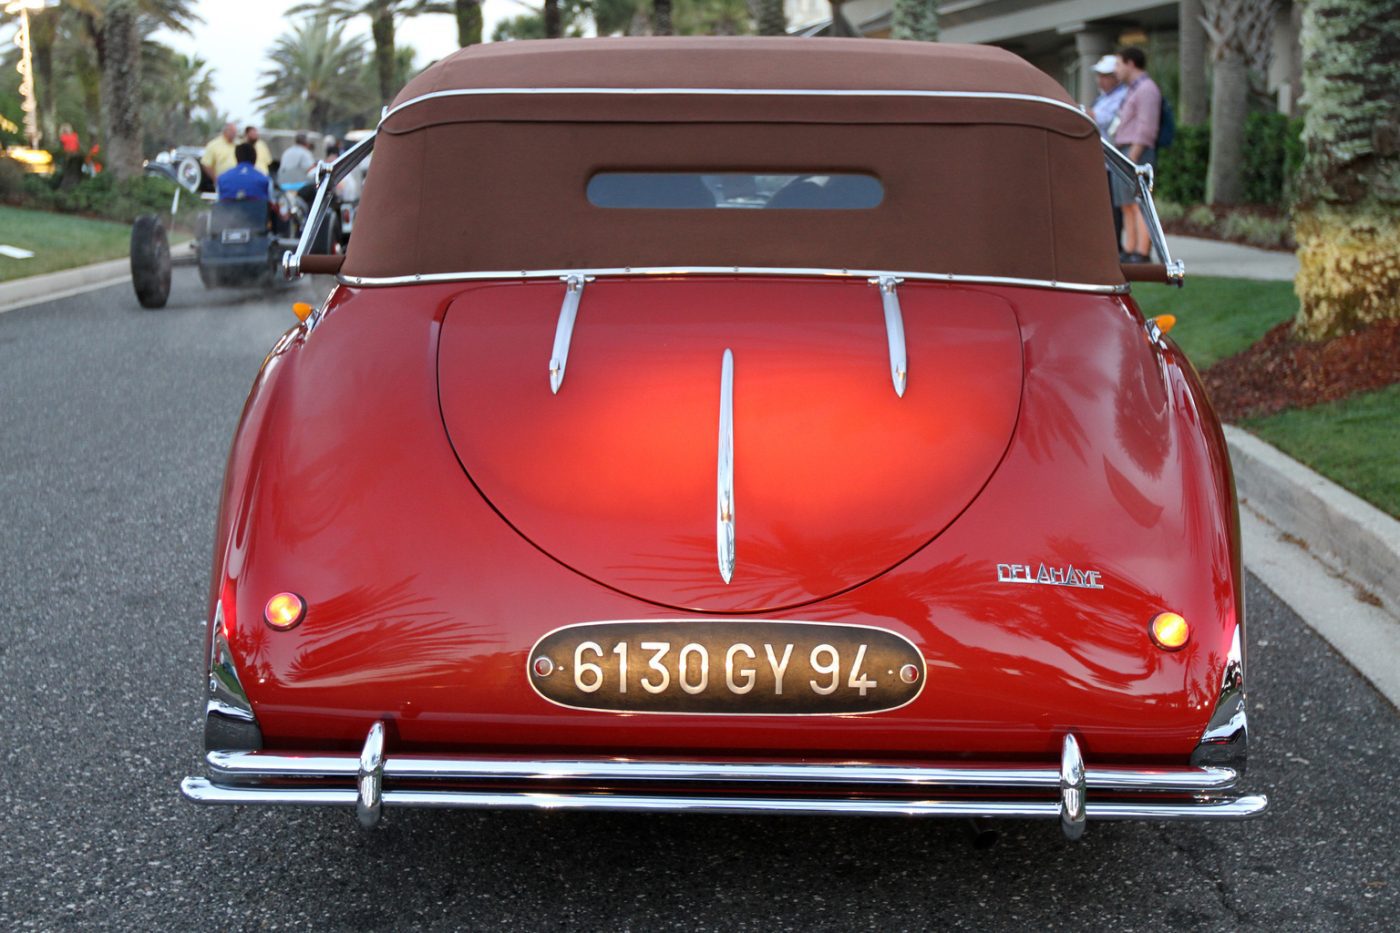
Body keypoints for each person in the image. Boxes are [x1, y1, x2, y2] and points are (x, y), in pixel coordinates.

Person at [1111, 47, 1162, 263]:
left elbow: (1146, 126)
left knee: (1139, 202)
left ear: (1131, 63)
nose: (1116, 70)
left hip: (1136, 151)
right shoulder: (1132, 89)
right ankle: (1130, 247)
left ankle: (1142, 251)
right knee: (1126, 203)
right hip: (1124, 150)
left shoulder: (1147, 89)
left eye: (1118, 64)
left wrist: (1133, 155)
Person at [1089, 55, 1128, 248]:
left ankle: (1117, 246)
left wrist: (1088, 113)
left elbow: (1106, 120)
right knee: (1105, 205)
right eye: (1099, 75)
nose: (1100, 80)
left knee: (1117, 205)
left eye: (1105, 75)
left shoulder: (1123, 95)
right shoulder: (1102, 98)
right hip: (1101, 159)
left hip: (1114, 158)